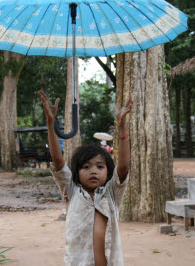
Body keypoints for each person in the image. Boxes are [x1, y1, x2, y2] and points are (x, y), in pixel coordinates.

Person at [38, 90, 133, 266]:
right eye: (86, 167)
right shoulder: (72, 191)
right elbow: (58, 161)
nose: (93, 171)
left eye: (100, 166)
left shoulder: (112, 194)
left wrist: (122, 127)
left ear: (108, 171)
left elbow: (124, 166)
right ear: (76, 173)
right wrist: (51, 124)